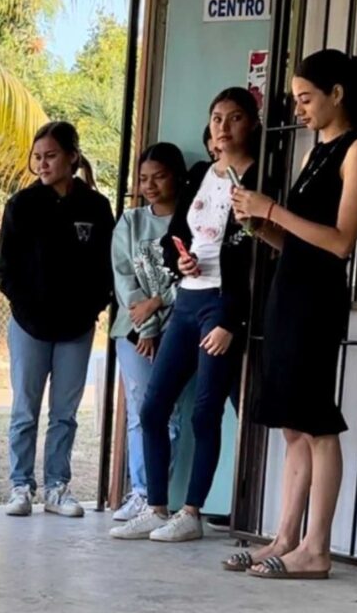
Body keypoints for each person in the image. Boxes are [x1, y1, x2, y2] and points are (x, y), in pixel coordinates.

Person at [229, 50, 357, 578]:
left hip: (318, 299)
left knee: (315, 424)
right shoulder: (317, 151)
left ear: (338, 93)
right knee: (292, 425)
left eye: (308, 98)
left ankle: (317, 547)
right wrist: (257, 222)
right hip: (288, 293)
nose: (301, 108)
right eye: (297, 99)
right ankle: (286, 536)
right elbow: (293, 240)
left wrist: (272, 209)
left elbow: (338, 243)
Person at [111, 88, 262, 542]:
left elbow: (257, 258)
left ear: (251, 125)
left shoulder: (257, 178)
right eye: (217, 117)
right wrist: (182, 262)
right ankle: (156, 506)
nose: (224, 126)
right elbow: (178, 234)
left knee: (204, 412)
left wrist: (230, 320)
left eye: (235, 118)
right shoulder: (202, 177)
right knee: (154, 407)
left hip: (220, 304)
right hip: (188, 299)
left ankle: (192, 512)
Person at [0, 121, 114, 518]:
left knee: (65, 413)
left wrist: (92, 307)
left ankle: (57, 487)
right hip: (30, 326)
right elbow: (6, 270)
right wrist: (27, 306)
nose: (43, 164)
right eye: (38, 157)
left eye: (51, 156)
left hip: (76, 328)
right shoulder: (21, 206)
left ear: (72, 158)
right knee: (25, 409)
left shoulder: (96, 207)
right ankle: (20, 486)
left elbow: (106, 267)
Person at [109, 143, 186, 522]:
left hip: (181, 327)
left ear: (176, 176)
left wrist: (156, 310)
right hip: (134, 331)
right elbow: (124, 278)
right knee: (140, 411)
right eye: (143, 178)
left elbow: (190, 276)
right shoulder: (130, 221)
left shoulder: (188, 221)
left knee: (168, 414)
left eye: (159, 176)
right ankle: (140, 493)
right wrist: (148, 324)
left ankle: (157, 494)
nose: (150, 185)